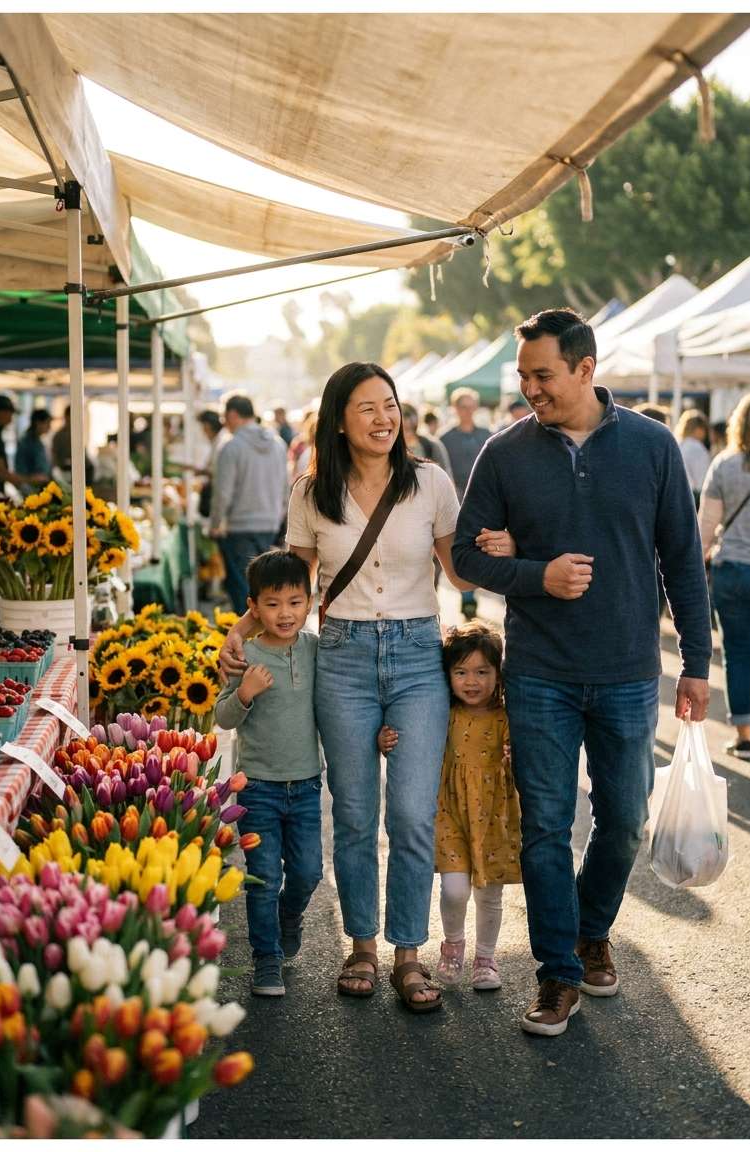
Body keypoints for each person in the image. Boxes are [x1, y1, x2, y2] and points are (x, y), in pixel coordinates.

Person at [220, 362, 511, 1012]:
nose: (384, 419)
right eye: (367, 408)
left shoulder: (431, 482)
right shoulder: (311, 491)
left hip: (415, 657)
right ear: (339, 421)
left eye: (390, 405)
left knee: (409, 814)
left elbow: (460, 575)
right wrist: (240, 630)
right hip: (344, 658)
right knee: (354, 815)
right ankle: (361, 945)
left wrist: (506, 547)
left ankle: (409, 954)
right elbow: (294, 580)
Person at [452, 308, 712, 1037]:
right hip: (539, 671)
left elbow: (684, 562)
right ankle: (558, 972)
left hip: (630, 670)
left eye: (543, 374)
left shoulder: (653, 447)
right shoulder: (503, 455)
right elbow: (466, 558)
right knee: (544, 825)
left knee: (625, 819)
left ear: (585, 368)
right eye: (524, 375)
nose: (530, 388)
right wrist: (537, 575)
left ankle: (590, 929)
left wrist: (697, 664)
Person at [378, 620, 521, 991]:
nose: (471, 681)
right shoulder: (443, 711)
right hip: (452, 813)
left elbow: (523, 760)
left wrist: (515, 753)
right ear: (447, 674)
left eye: (482, 672)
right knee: (455, 888)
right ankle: (453, 944)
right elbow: (414, 741)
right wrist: (386, 737)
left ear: (498, 673)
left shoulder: (508, 717)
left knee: (490, 893)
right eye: (461, 672)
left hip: (493, 816)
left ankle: (486, 958)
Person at [214, 550, 323, 997]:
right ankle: (266, 959)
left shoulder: (316, 649)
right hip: (256, 788)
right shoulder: (245, 655)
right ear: (253, 607)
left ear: (310, 603)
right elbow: (223, 717)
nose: (285, 613)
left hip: (307, 787)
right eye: (273, 604)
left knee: (308, 872)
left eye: (295, 602)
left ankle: (289, 917)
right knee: (262, 878)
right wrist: (244, 692)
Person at [698, 392, 750, 759]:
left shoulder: (724, 465)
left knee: (737, 653)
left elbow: (706, 528)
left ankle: (743, 735)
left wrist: (696, 563)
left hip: (733, 572)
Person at [209, 393, 289, 613]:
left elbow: (222, 492)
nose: (223, 423)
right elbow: (286, 487)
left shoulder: (231, 447)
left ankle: (247, 640)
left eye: (224, 417)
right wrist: (279, 516)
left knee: (243, 588)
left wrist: (215, 523)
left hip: (240, 526)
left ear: (233, 415)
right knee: (265, 587)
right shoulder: (278, 444)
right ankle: (266, 638)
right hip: (270, 524)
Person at [439, 388, 491, 619]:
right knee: (457, 549)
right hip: (455, 502)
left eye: (471, 406)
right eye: (463, 406)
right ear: (455, 409)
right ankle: (467, 597)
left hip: (485, 502)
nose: (467, 411)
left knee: (481, 549)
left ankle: (471, 595)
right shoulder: (445, 439)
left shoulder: (486, 435)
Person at [400, 401, 454, 480]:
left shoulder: (432, 445)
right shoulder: (390, 448)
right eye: (402, 428)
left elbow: (446, 476)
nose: (406, 423)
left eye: (409, 428)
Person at [675, 408, 712, 506]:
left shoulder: (676, 444)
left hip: (675, 496)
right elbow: (703, 480)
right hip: (693, 499)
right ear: (699, 429)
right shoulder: (698, 448)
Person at [51, 405, 95, 485]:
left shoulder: (77, 433)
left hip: (81, 466)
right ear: (67, 417)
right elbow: (55, 456)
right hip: (68, 468)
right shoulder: (60, 435)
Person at [13, 409, 53, 494]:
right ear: (38, 423)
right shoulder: (26, 443)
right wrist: (32, 479)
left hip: (41, 487)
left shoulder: (38, 441)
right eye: (47, 423)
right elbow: (19, 472)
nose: (49, 427)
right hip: (31, 489)